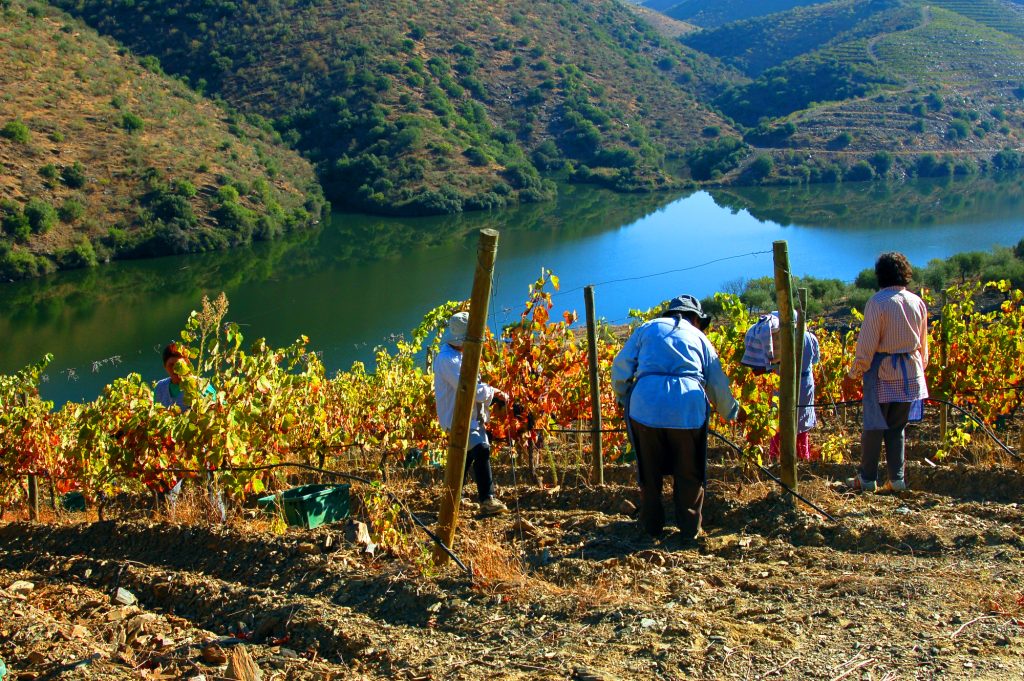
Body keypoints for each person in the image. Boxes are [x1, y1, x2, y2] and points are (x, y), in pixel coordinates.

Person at [611, 295, 741, 539]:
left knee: (649, 472)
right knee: (689, 471)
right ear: (695, 318)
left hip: (645, 405)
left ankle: (650, 530)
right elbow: (717, 382)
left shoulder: (647, 329)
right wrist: (730, 411)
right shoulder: (700, 337)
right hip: (687, 407)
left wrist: (625, 397)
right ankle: (690, 530)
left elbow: (620, 367)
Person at [842, 252, 929, 492]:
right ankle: (897, 480)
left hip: (883, 374)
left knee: (873, 427)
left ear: (880, 275)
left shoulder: (878, 302)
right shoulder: (917, 302)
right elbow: (923, 345)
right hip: (911, 374)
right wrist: (919, 370)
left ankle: (867, 479)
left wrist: (853, 375)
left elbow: (867, 347)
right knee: (897, 429)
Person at [433, 311, 508, 515]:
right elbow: (468, 388)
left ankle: (452, 497)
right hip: (458, 417)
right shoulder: (448, 360)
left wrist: (491, 395)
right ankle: (487, 500)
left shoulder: (458, 354)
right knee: (481, 449)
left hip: (467, 416)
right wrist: (494, 393)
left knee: (464, 456)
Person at [741, 312, 821, 460]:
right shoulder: (810, 338)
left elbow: (769, 363)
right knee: (801, 422)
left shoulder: (779, 340)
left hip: (783, 382)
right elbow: (815, 359)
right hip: (805, 384)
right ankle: (803, 457)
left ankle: (775, 457)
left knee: (779, 421)